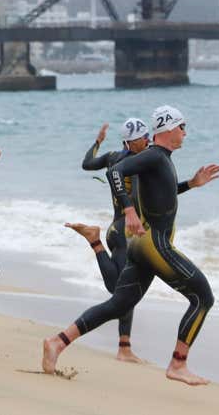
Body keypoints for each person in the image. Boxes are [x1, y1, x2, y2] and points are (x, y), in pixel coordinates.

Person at [42, 105, 219, 386]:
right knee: (203, 298)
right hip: (153, 244)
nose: (185, 132)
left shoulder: (159, 158)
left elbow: (163, 194)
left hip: (141, 245)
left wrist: (191, 184)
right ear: (169, 129)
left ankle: (57, 342)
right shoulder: (153, 156)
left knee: (118, 304)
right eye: (182, 127)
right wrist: (128, 210)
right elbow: (115, 172)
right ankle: (178, 364)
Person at [64, 118, 150, 362]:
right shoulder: (142, 162)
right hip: (128, 230)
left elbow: (87, 164)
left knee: (119, 289)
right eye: (144, 138)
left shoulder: (113, 156)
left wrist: (98, 142)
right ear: (132, 141)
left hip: (117, 227)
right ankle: (124, 348)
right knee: (124, 290)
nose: (148, 141)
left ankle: (95, 241)